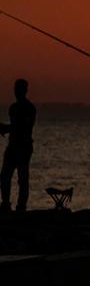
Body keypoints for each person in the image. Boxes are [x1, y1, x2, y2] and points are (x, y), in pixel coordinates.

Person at [0, 79, 37, 212]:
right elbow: (15, 126)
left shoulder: (30, 108)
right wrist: (5, 128)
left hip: (24, 148)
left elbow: (23, 127)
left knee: (22, 179)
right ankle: (5, 204)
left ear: (25, 90)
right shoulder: (13, 108)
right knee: (4, 176)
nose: (17, 92)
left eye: (19, 89)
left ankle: (21, 207)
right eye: (15, 89)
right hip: (12, 147)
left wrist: (6, 128)